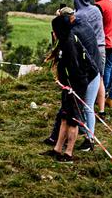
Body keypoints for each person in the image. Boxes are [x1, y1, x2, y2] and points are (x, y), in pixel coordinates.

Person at [43, 15, 98, 163]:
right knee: (64, 116)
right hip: (69, 85)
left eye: (53, 29)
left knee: (73, 120)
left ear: (59, 29)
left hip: (77, 85)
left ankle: (68, 154)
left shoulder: (69, 44)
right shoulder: (64, 40)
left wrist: (72, 88)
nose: (52, 32)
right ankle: (57, 149)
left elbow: (76, 69)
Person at [73, 0, 106, 118]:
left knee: (87, 80)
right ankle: (102, 110)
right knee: (100, 79)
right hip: (102, 46)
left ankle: (86, 109)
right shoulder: (96, 9)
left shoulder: (80, 15)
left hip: (89, 49)